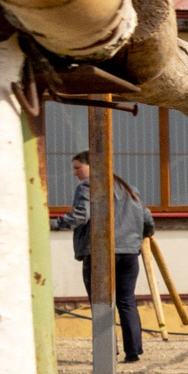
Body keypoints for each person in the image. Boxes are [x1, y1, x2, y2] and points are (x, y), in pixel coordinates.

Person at [51, 150, 153, 363]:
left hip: (100, 253)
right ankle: (133, 352)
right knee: (126, 301)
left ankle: (107, 354)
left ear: (92, 166)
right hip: (128, 254)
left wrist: (53, 224)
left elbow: (81, 215)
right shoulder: (129, 189)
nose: (75, 173)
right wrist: (144, 234)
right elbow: (146, 216)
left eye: (78, 167)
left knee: (100, 302)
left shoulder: (89, 187)